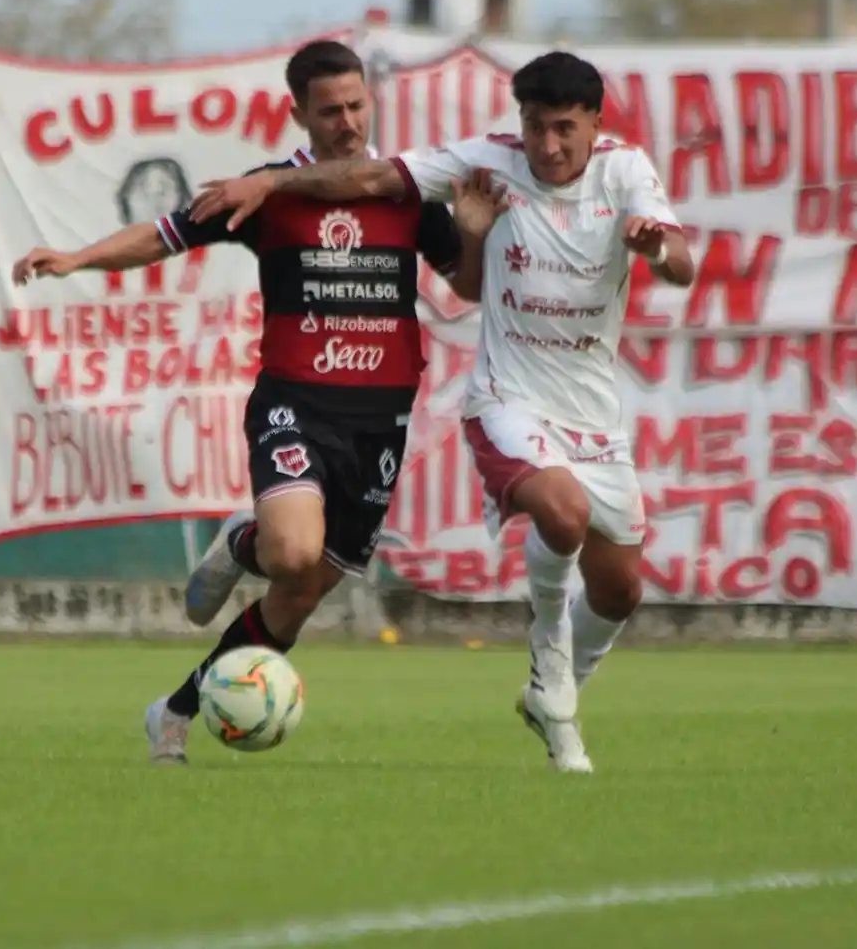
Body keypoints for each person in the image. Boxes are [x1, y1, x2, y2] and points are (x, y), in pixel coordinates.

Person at [189, 50, 696, 773]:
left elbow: (680, 262)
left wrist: (658, 252)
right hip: (507, 400)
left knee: (620, 590)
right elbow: (366, 175)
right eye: (532, 127)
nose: (545, 147)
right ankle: (552, 685)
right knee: (562, 513)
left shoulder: (625, 172)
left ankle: (553, 690)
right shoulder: (488, 158)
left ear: (593, 124)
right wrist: (270, 179)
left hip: (593, 417)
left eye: (562, 130)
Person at [11, 39, 509, 765]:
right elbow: (164, 235)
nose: (345, 122)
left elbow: (464, 288)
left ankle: (173, 711)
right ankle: (249, 540)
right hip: (296, 401)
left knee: (301, 595)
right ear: (298, 114)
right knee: (293, 553)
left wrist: (470, 235)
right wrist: (78, 258)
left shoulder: (405, 189)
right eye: (329, 110)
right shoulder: (264, 192)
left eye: (355, 105)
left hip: (380, 418)